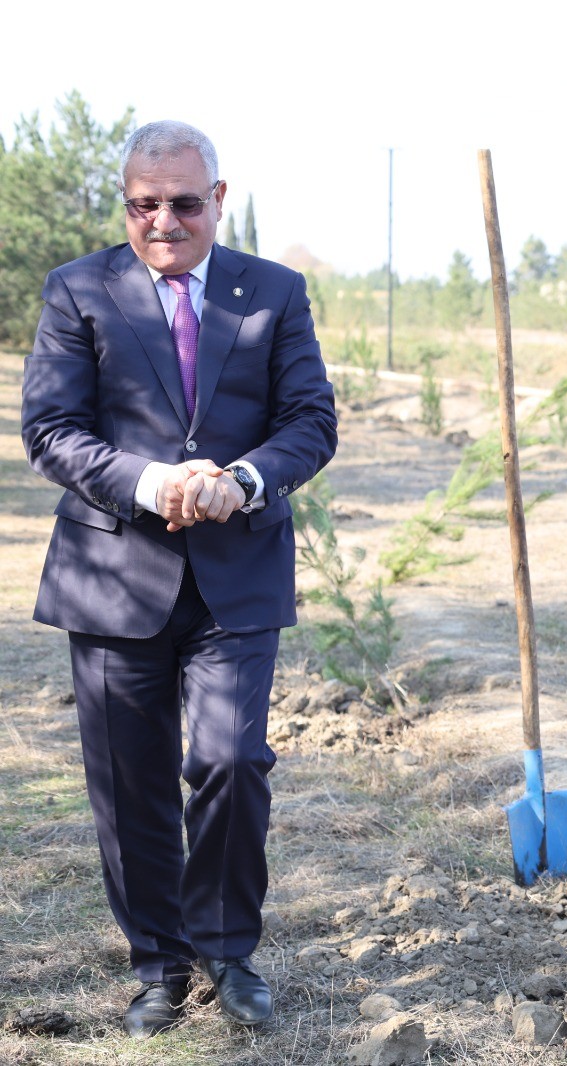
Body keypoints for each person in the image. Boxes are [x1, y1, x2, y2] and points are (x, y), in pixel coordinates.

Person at [20, 120, 337, 1036]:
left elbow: (310, 419)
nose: (163, 221)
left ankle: (228, 951)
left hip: (238, 573)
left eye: (184, 203)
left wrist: (245, 480)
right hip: (112, 572)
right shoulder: (78, 290)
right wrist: (151, 482)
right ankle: (160, 965)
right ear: (126, 203)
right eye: (144, 204)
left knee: (232, 760)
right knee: (131, 782)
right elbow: (50, 429)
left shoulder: (274, 292)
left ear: (219, 200)